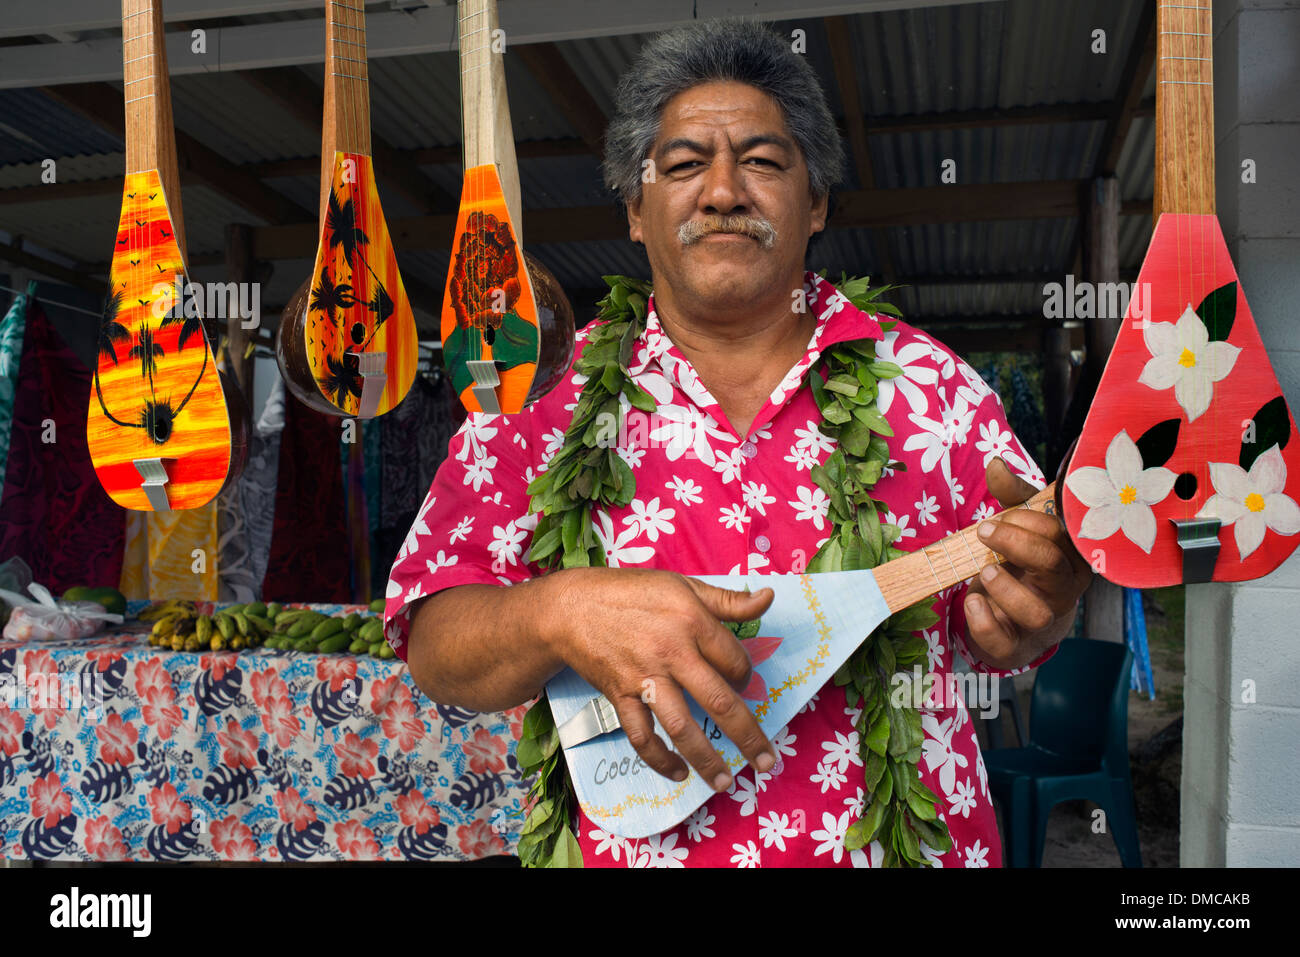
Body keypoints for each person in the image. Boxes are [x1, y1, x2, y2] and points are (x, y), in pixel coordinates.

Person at [383, 19, 1092, 867]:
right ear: (637, 212)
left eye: (761, 160)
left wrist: (1042, 610)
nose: (722, 191)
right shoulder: (537, 395)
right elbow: (432, 637)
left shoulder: (936, 391)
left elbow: (1013, 619)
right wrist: (556, 610)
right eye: (683, 165)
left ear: (817, 200)